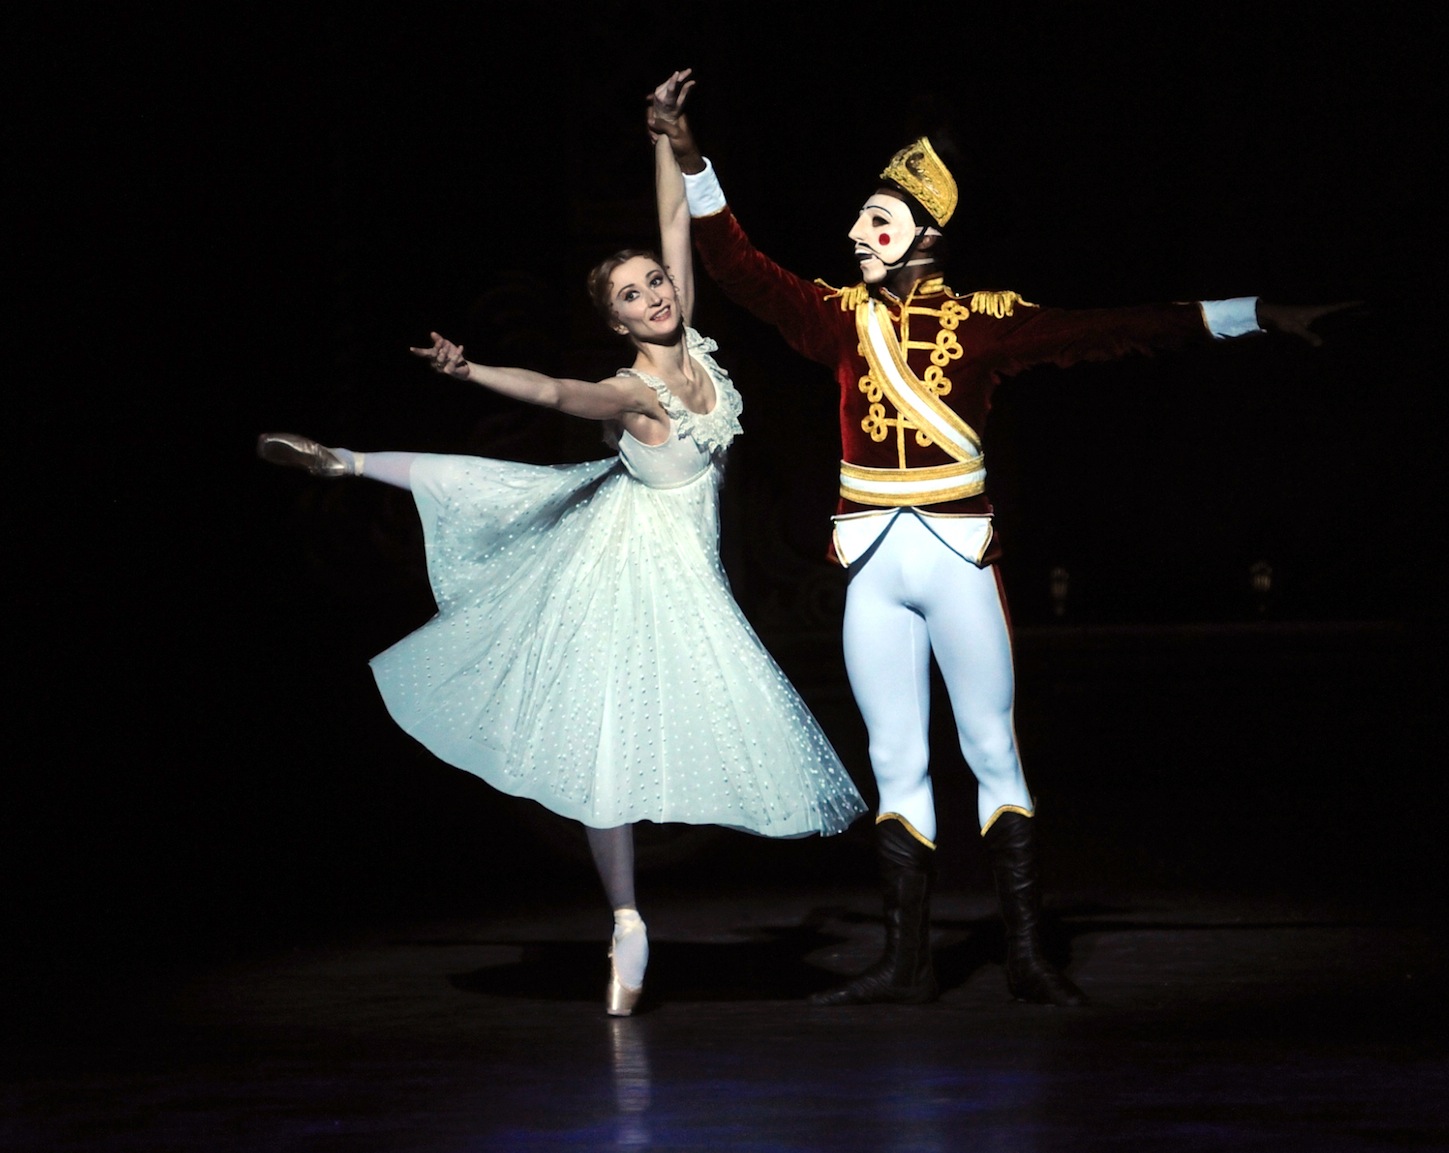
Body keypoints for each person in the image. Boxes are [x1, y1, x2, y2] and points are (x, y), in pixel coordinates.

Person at [647, 70, 1351, 1007]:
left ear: (924, 238)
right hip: (872, 563)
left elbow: (1116, 329)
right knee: (894, 758)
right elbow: (739, 268)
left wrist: (1251, 314)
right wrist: (690, 154)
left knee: (991, 750)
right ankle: (904, 962)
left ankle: (1027, 955)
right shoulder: (839, 321)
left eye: (876, 222)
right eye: (859, 220)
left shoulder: (986, 324)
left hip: (956, 559)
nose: (855, 233)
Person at [257, 118, 867, 1017]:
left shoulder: (695, 343)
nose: (654, 294)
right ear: (614, 320)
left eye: (656, 282)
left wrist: (665, 134)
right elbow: (551, 391)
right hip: (626, 566)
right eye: (632, 294)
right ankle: (626, 919)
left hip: (682, 564)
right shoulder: (631, 391)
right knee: (498, 510)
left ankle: (348, 460)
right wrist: (470, 372)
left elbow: (673, 221)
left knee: (680, 712)